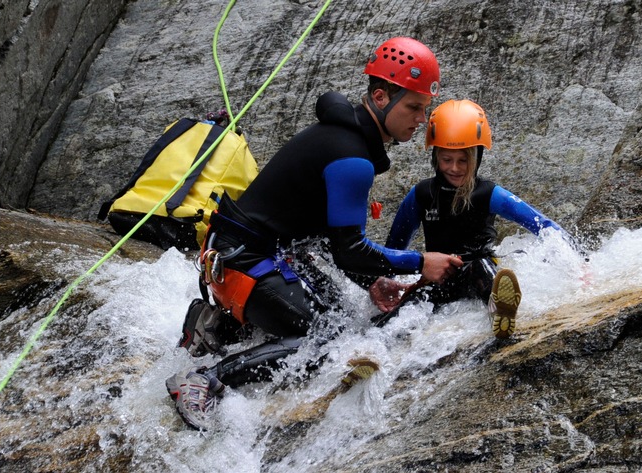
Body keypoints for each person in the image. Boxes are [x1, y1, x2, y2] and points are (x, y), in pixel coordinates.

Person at [164, 37, 463, 430]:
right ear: (379, 97)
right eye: (413, 107)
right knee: (323, 340)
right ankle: (205, 379)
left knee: (345, 324)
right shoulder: (352, 157)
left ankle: (219, 325)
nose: (420, 119)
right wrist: (421, 261)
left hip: (235, 254)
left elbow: (326, 239)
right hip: (245, 262)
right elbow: (349, 249)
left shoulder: (344, 139)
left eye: (424, 109)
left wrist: (372, 280)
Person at [370, 99, 576, 338]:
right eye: (447, 160)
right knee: (414, 303)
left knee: (481, 267)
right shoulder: (421, 195)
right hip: (439, 278)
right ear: (435, 157)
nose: (455, 168)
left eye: (464, 160)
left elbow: (545, 227)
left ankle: (501, 311)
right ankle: (368, 350)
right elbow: (394, 248)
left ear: (477, 158)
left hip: (478, 271)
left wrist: (580, 262)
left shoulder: (489, 194)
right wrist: (384, 281)